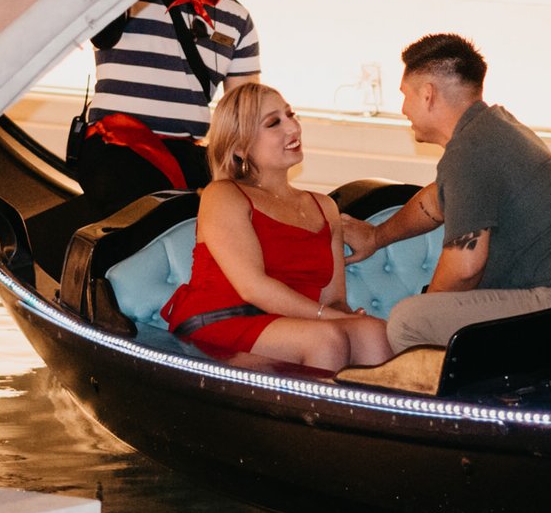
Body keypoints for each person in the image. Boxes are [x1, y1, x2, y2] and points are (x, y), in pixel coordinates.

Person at [353, 34, 551, 350]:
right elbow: (436, 200)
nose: (403, 109)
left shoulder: (469, 152)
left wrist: (432, 309)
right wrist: (376, 236)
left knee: (410, 320)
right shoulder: (493, 129)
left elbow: (465, 268)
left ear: (427, 94)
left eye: (405, 95)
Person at [159, 83, 393, 371]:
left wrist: (348, 318)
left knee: (375, 332)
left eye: (291, 115)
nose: (293, 128)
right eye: (274, 123)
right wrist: (331, 320)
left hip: (299, 324)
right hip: (225, 318)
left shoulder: (324, 207)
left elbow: (333, 300)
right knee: (325, 340)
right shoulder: (223, 194)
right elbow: (253, 288)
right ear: (240, 148)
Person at [70, 0, 259, 202]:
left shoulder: (237, 17)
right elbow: (101, 33)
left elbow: (244, 111)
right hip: (117, 146)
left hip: (187, 156)